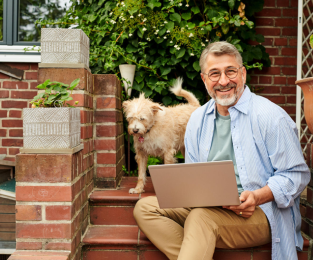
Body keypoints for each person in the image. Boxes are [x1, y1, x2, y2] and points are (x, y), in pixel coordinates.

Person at [133, 41, 310, 260]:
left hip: (260, 212)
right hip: (209, 207)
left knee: (200, 218)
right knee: (145, 208)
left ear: (243, 73)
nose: (224, 81)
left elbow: (296, 175)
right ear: (204, 79)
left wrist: (256, 196)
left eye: (231, 71)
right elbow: (193, 175)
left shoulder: (271, 116)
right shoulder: (197, 119)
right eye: (214, 73)